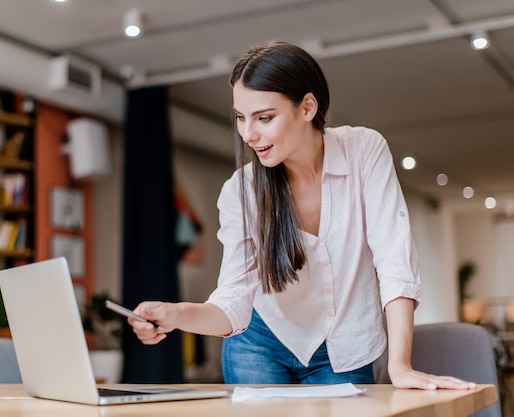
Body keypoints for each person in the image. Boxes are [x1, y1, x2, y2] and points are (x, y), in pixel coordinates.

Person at [129, 40, 475, 390]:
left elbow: (394, 259)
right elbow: (233, 298)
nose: (249, 134)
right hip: (258, 344)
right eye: (240, 117)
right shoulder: (241, 191)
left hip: (344, 345)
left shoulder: (364, 151)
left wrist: (400, 366)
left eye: (264, 117)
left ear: (307, 106)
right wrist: (175, 315)